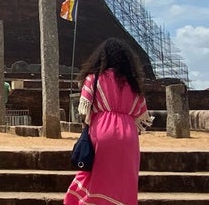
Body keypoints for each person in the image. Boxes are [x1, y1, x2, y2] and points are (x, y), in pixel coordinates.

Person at [63, 38, 153, 205]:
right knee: (125, 180)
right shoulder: (133, 84)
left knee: (96, 175)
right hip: (128, 135)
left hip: (102, 131)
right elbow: (140, 114)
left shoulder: (94, 78)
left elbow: (85, 108)